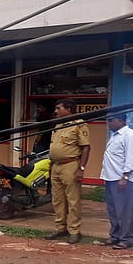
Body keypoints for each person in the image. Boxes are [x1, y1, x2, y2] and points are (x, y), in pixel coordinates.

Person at [44, 98, 91, 244]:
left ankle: (74, 231)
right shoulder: (58, 125)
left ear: (69, 109)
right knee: (57, 199)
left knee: (73, 199)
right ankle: (60, 228)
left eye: (59, 108)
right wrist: (51, 165)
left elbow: (86, 147)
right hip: (56, 166)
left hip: (71, 165)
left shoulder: (79, 124)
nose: (55, 111)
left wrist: (81, 169)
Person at [99, 112, 133, 249]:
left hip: (122, 179)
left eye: (111, 120)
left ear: (121, 121)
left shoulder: (130, 135)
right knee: (113, 210)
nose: (108, 122)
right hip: (111, 177)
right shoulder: (115, 135)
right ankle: (115, 236)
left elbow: (131, 158)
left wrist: (125, 177)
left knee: (124, 211)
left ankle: (127, 238)